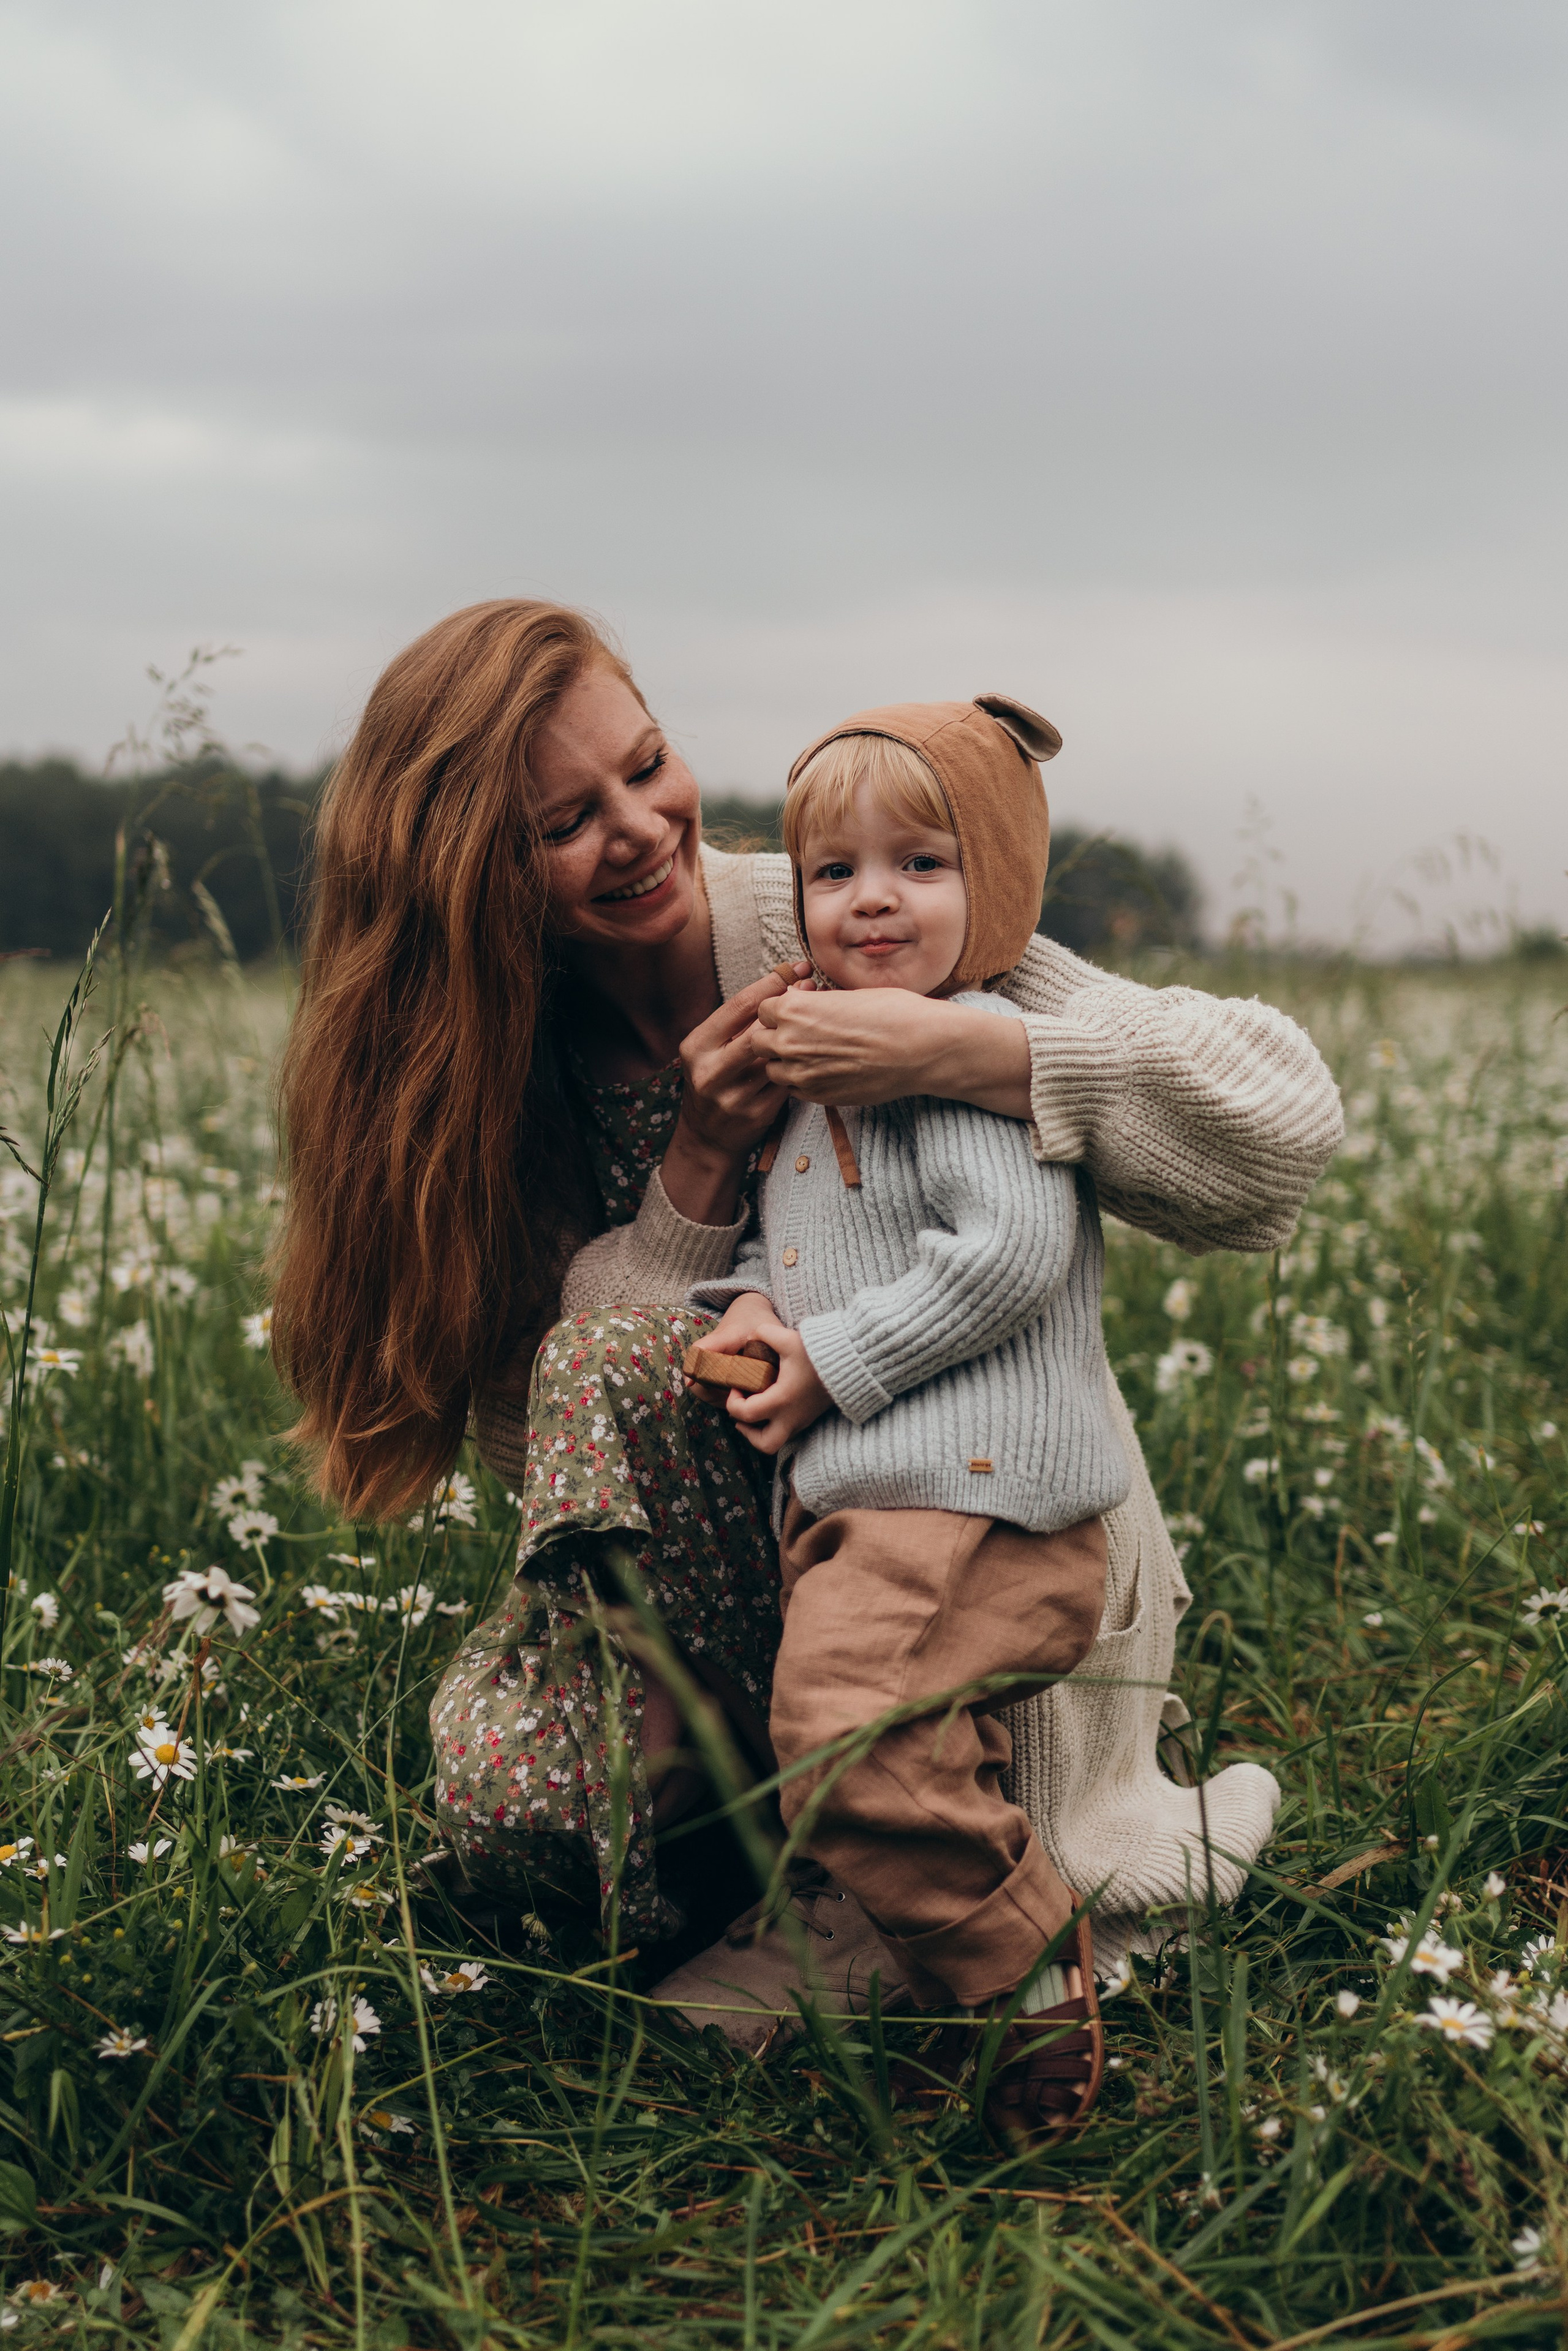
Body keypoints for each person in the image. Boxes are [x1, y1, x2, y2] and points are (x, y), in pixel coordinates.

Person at [272, 598, 1339, 2097]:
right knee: (500, 1802)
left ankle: (929, 1891)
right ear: (469, 882)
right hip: (749, 1573)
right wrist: (699, 1172)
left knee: (743, 1872)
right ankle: (764, 1849)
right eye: (564, 823)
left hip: (965, 1518)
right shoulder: (502, 1063)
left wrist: (967, 1049)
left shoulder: (852, 908)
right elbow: (553, 1459)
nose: (641, 829)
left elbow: (1278, 1129)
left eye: (647, 766)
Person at [683, 697, 1131, 2137]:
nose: (873, 898)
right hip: (888, 1495)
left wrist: (834, 1365)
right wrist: (752, 1313)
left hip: (972, 1494)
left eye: (922, 863)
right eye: (835, 871)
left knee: (836, 1729)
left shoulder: (960, 1046)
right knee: (901, 1749)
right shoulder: (823, 1069)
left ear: (989, 886)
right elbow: (803, 1245)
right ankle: (962, 1983)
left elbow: (1008, 1253)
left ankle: (1022, 1963)